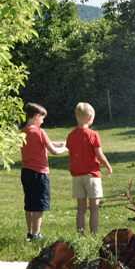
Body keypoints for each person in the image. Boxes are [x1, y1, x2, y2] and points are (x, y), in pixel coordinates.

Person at [20, 103, 67, 241]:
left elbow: (44, 144)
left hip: (26, 172)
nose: (43, 120)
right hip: (40, 173)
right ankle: (36, 234)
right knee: (39, 205)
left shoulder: (23, 132)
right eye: (42, 117)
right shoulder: (40, 132)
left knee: (29, 204)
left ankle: (29, 233)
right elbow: (53, 151)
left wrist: (59, 143)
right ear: (36, 116)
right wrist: (64, 149)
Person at [66, 102, 113, 235]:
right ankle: (94, 234)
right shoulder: (93, 134)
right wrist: (108, 166)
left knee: (81, 208)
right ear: (90, 117)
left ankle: (80, 234)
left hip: (76, 176)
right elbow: (99, 154)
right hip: (92, 176)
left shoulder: (71, 135)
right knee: (94, 207)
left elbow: (71, 153)